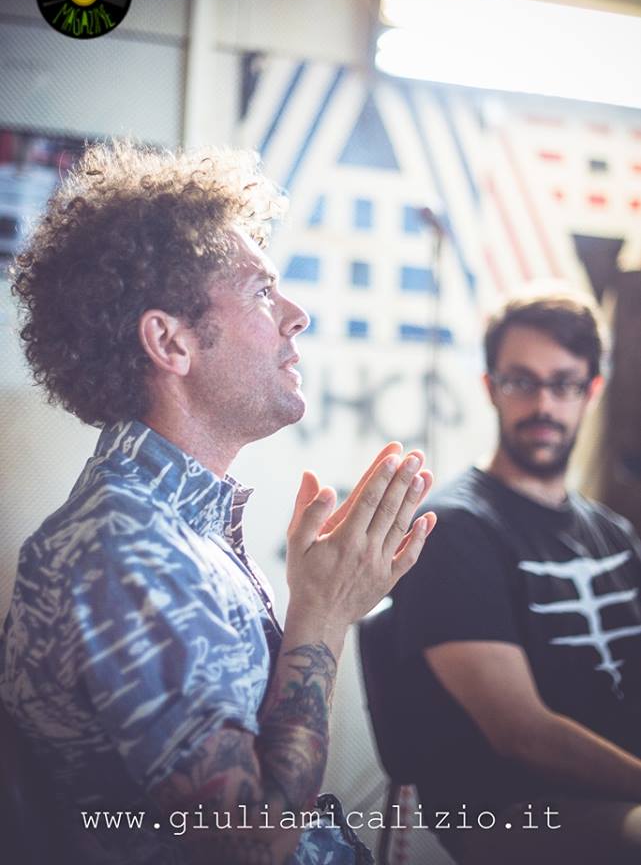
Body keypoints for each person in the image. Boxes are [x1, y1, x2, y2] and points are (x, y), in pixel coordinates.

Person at [0, 139, 436, 865]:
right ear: (169, 343)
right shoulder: (123, 548)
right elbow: (253, 845)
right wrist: (322, 617)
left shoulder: (172, 527)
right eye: (262, 291)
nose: (295, 314)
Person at [394, 288, 641, 865]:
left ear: (592, 391)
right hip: (519, 811)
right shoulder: (453, 529)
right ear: (491, 388)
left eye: (564, 384)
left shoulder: (613, 532)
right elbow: (522, 733)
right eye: (521, 381)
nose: (543, 405)